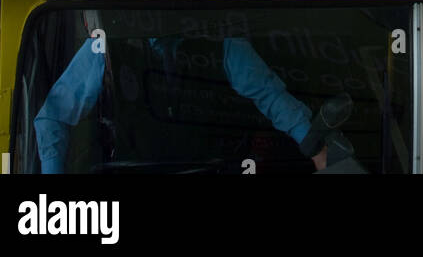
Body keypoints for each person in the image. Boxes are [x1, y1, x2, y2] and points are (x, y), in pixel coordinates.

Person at [33, 30, 337, 173]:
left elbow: (271, 97)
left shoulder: (225, 46)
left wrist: (317, 149)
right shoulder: (106, 48)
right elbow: (54, 116)